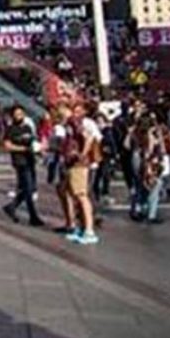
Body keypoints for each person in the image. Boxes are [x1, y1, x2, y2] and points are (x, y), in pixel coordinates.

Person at [64, 103, 102, 245]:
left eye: (77, 110)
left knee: (81, 195)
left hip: (79, 163)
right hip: (72, 161)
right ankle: (81, 227)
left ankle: (89, 230)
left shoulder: (82, 123)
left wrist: (82, 154)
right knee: (73, 193)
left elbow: (91, 137)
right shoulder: (72, 123)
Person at [2, 105, 44, 226]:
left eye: (21, 114)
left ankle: (11, 206)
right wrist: (23, 149)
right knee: (29, 188)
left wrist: (38, 150)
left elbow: (33, 142)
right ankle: (33, 216)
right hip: (20, 162)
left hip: (30, 161)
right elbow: (7, 145)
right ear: (13, 116)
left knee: (28, 188)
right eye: (16, 114)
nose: (19, 116)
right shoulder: (11, 129)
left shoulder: (27, 128)